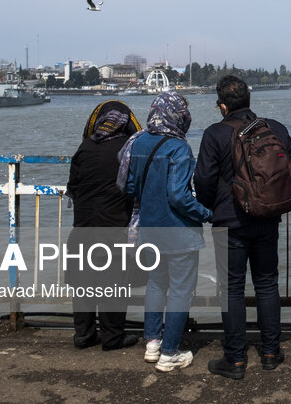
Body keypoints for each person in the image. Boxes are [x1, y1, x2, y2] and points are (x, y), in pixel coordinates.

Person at [195, 75, 291, 380]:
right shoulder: (274, 128)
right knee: (267, 284)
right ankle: (270, 353)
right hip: (267, 217)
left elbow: (202, 181)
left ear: (221, 106)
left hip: (228, 222)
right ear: (248, 100)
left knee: (230, 289)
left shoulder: (215, 133)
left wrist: (212, 206)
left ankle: (235, 359)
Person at [121, 91, 213, 373]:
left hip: (149, 228)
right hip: (178, 232)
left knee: (156, 284)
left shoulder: (137, 142)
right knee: (181, 291)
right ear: (177, 116)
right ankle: (170, 353)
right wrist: (206, 213)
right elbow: (179, 197)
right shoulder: (179, 148)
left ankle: (152, 344)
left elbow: (130, 186)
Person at [66, 100, 142, 350]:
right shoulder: (127, 150)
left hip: (83, 227)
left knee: (83, 285)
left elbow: (73, 188)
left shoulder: (84, 148)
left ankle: (84, 335)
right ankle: (112, 337)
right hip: (113, 227)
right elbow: (134, 188)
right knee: (113, 284)